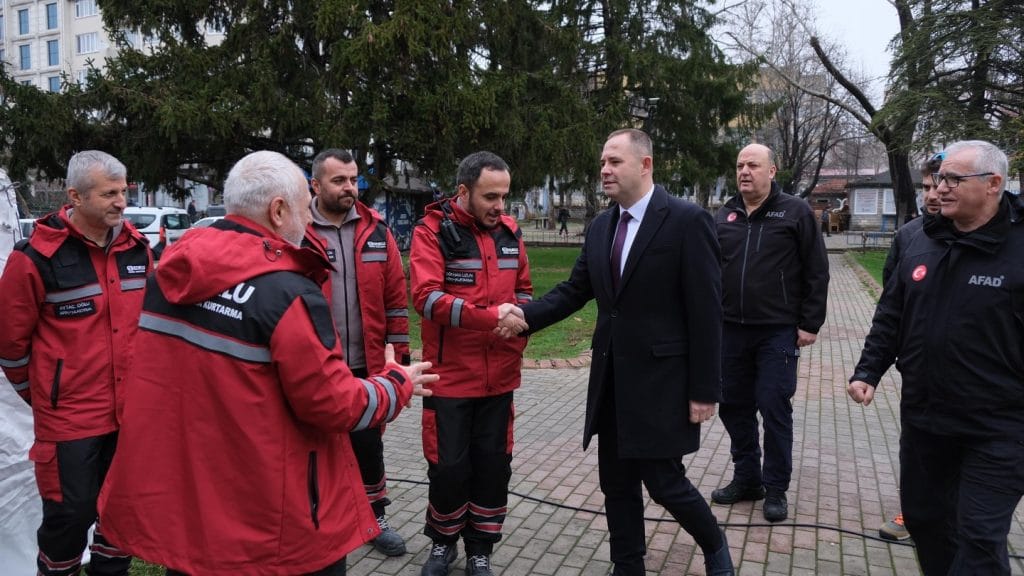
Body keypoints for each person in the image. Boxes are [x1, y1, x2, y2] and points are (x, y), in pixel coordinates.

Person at [97, 151, 437, 576]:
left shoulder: (168, 274)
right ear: (278, 211)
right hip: (271, 520)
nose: (307, 221)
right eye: (303, 209)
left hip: (190, 509)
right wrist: (396, 382)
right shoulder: (286, 293)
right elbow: (334, 405)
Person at [508, 128, 733, 576]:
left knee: (665, 483)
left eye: (614, 161)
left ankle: (714, 545)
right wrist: (524, 316)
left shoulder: (687, 221)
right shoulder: (601, 226)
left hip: (663, 382)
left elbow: (707, 312)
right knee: (616, 482)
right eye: (602, 163)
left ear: (645, 165)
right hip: (612, 381)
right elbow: (575, 290)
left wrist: (705, 389)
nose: (604, 170)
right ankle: (627, 565)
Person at [848, 140, 1024, 575]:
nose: (939, 188)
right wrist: (868, 370)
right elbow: (892, 313)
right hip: (926, 418)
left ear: (993, 184)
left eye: (953, 179)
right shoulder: (917, 239)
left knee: (978, 537)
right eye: (939, 178)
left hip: (1000, 428)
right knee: (925, 520)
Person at [0, 151, 151, 576]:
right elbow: (10, 345)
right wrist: (47, 394)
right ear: (75, 196)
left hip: (129, 412)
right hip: (69, 418)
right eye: (108, 194)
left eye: (123, 191)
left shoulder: (136, 250)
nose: (121, 202)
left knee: (121, 510)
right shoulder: (35, 258)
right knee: (70, 515)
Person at [409, 151, 532, 576]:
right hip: (450, 380)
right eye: (490, 197)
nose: (500, 206)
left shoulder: (511, 233)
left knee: (493, 468)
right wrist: (490, 317)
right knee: (448, 468)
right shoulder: (431, 232)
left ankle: (481, 548)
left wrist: (520, 320)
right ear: (464, 191)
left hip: (500, 378)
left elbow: (525, 290)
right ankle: (443, 543)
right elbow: (426, 298)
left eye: (504, 196)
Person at [712, 143, 829, 523]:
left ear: (772, 170)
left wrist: (810, 323)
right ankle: (748, 478)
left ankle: (775, 488)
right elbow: (710, 269)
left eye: (753, 165)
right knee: (733, 406)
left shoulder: (795, 212)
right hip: (730, 330)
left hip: (777, 331)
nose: (745, 171)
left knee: (774, 406)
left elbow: (816, 269)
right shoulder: (725, 215)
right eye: (740, 165)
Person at [309, 148, 411, 556]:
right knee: (316, 445)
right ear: (315, 185)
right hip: (316, 364)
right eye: (339, 180)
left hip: (367, 364)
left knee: (369, 446)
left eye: (353, 180)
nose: (349, 187)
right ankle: (322, 520)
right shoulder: (297, 231)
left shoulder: (377, 230)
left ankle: (374, 517)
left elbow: (396, 299)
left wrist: (399, 356)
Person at [876, 152, 944, 543]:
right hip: (919, 371)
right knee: (916, 449)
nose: (932, 195)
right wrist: (870, 369)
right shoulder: (909, 236)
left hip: (983, 384)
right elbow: (891, 305)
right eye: (927, 187)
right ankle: (913, 512)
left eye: (941, 185)